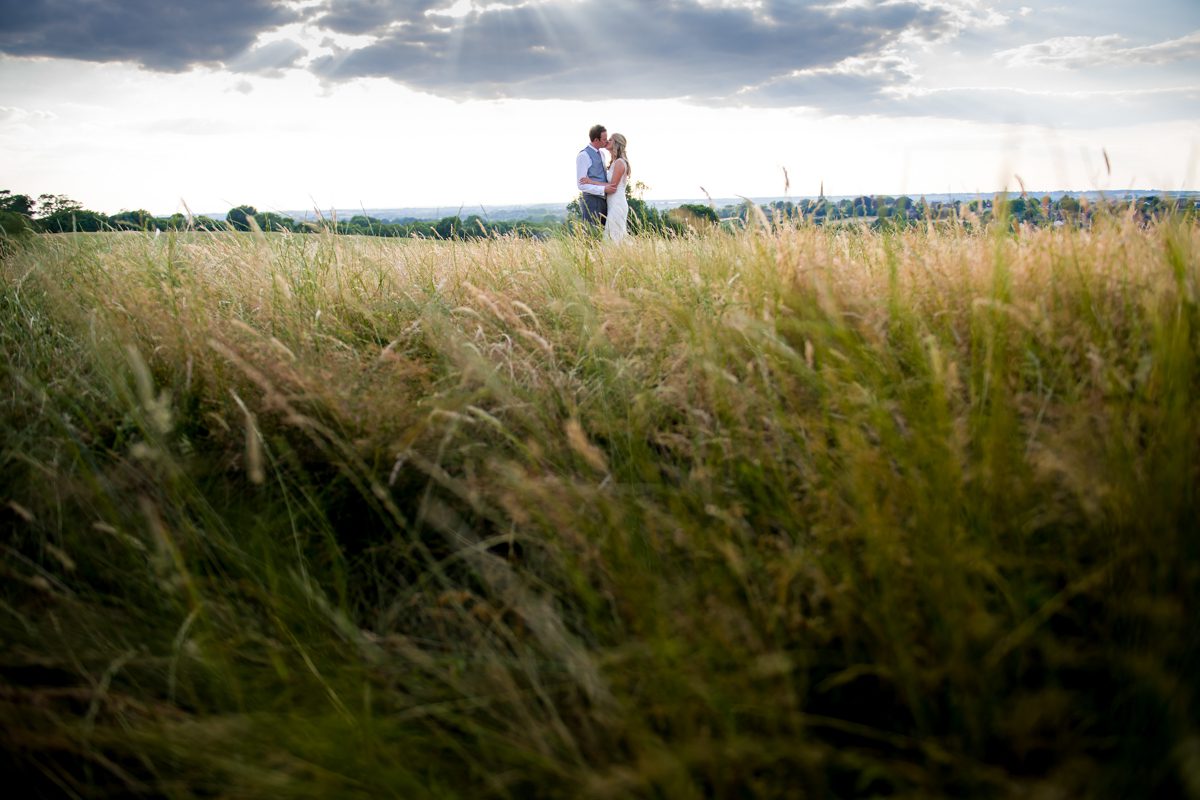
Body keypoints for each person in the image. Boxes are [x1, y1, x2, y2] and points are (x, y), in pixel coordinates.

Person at [579, 132, 630, 243]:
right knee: (612, 236)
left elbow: (612, 187)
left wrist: (591, 181)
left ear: (616, 144)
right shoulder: (614, 162)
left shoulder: (620, 163)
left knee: (613, 237)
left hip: (617, 204)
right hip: (611, 203)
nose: (607, 141)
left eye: (610, 140)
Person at [576, 124, 609, 231]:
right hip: (591, 200)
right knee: (592, 234)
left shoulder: (602, 154)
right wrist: (603, 189)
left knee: (604, 234)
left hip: (604, 200)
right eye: (604, 139)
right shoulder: (583, 155)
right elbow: (581, 185)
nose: (606, 141)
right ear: (596, 140)